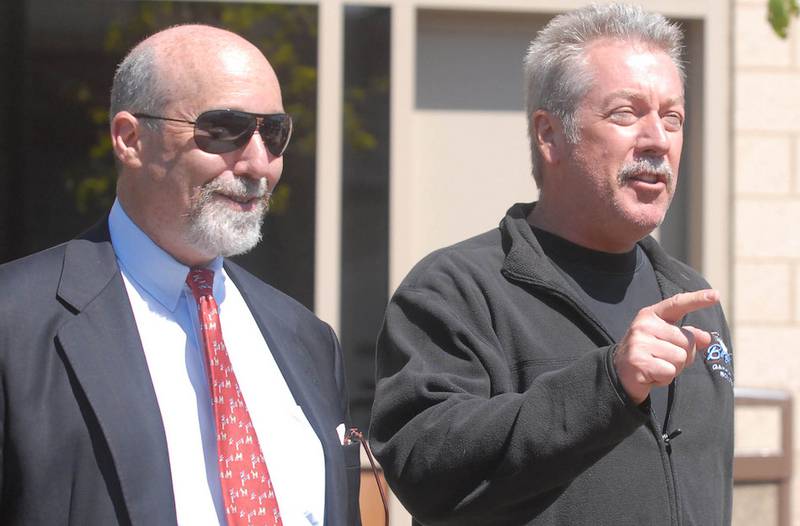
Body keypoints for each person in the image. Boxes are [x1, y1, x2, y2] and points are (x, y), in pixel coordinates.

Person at [369, 4, 733, 525]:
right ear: (549, 135)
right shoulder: (455, 291)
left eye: (672, 117)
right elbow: (424, 469)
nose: (658, 140)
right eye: (626, 114)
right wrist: (607, 384)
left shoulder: (693, 300)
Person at [0, 25, 360, 526]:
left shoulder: (308, 340)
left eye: (274, 133)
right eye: (224, 129)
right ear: (130, 139)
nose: (259, 164)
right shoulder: (15, 325)